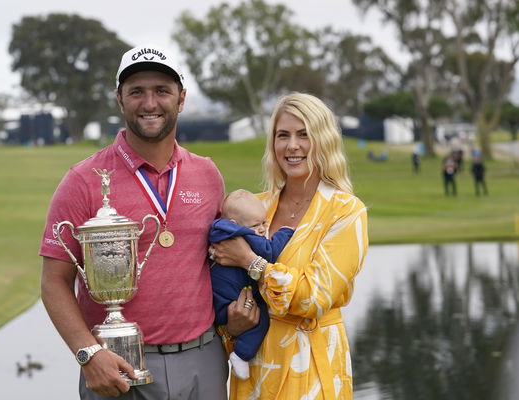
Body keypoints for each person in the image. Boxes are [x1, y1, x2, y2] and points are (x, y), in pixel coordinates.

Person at [39, 44, 257, 400]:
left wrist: (237, 313)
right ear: (120, 100)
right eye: (136, 91)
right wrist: (88, 353)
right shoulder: (83, 180)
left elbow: (226, 257)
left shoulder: (207, 173)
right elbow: (53, 282)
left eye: (162, 91)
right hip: (118, 365)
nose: (150, 103)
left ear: (181, 99)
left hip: (204, 358)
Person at [212, 92, 369, 399]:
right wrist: (232, 325)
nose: (292, 146)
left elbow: (312, 298)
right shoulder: (254, 208)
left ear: (323, 140)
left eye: (304, 135)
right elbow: (219, 273)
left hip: (310, 370)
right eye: (283, 135)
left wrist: (250, 262)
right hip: (254, 368)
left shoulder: (346, 212)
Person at [209, 189, 294, 380]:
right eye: (257, 225)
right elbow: (269, 252)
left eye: (264, 223)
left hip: (217, 300)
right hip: (233, 303)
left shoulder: (217, 232)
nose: (263, 229)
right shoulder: (242, 234)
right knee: (262, 316)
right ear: (235, 224)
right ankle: (241, 355)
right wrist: (285, 232)